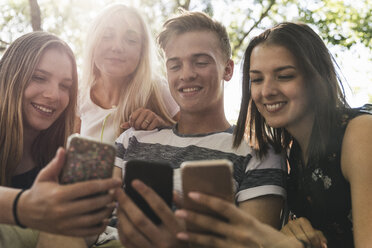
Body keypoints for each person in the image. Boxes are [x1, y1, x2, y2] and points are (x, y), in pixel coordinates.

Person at [173, 22, 372, 248]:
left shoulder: (360, 134)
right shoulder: (292, 153)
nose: (266, 91)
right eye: (257, 79)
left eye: (285, 76)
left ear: (317, 78)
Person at [113, 10, 287, 248]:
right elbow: (95, 217)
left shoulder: (258, 153)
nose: (186, 74)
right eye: (175, 65)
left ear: (227, 69)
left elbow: (256, 243)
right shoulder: (132, 138)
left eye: (201, 62)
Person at [0, 31, 121, 247]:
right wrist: (24, 206)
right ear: (11, 75)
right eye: (39, 77)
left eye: (65, 86)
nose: (54, 95)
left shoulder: (60, 157)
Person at [76, 3, 179, 143]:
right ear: (92, 41)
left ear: (142, 51)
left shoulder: (156, 89)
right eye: (107, 36)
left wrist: (164, 127)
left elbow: (192, 135)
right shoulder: (79, 94)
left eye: (131, 40)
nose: (117, 47)